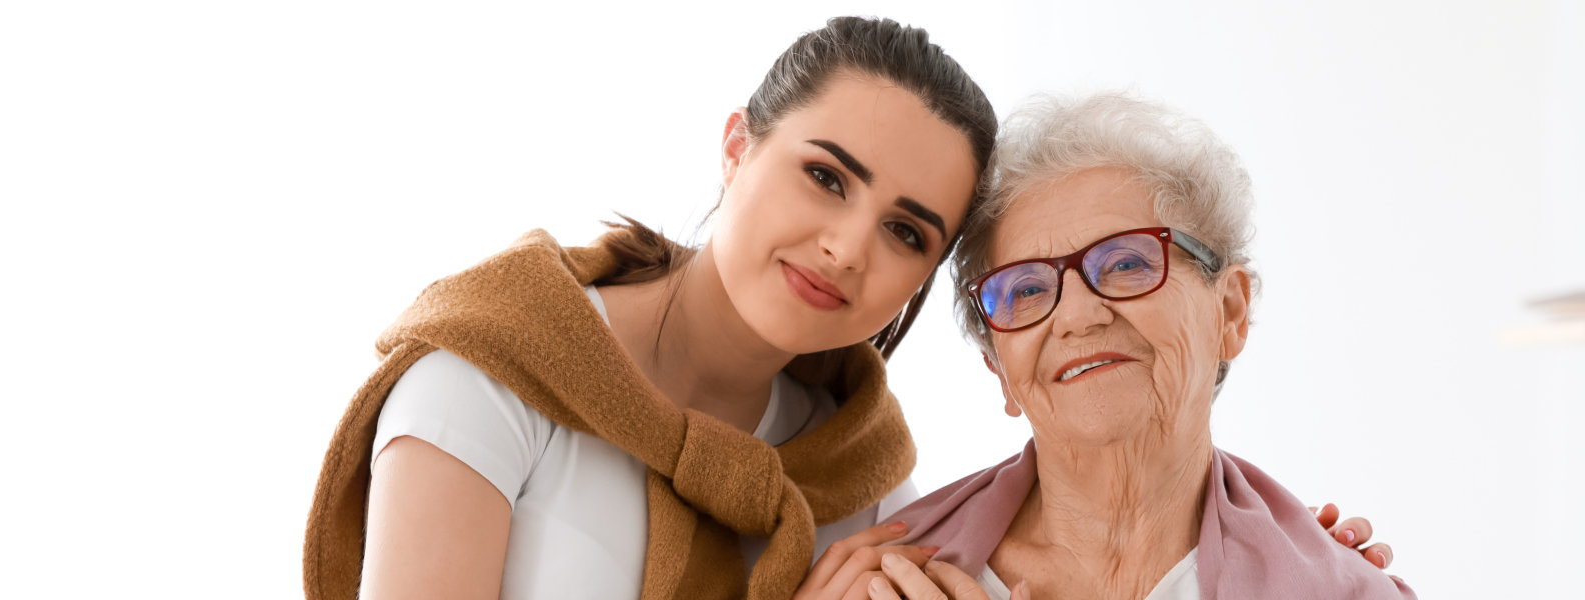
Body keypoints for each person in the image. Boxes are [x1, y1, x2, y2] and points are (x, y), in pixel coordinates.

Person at [304, 16, 997, 600]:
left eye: (906, 233)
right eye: (826, 177)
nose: (848, 250)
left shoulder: (863, 482)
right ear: (736, 150)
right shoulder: (491, 366)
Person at [803, 92, 1415, 600]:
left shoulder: (1337, 589)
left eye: (1126, 261)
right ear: (999, 368)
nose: (1077, 315)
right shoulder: (878, 577)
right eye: (1024, 288)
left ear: (1229, 311)